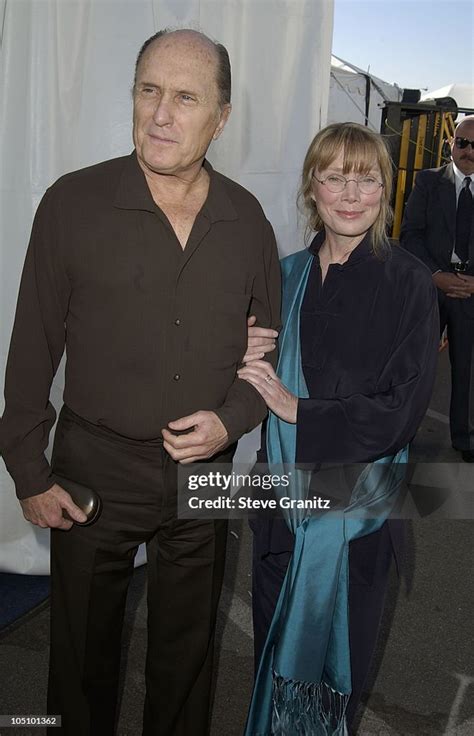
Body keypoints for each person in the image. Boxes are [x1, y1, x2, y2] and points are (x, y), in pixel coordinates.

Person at [0, 29, 281, 736]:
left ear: (221, 117)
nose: (160, 112)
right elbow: (31, 351)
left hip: (205, 472)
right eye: (148, 89)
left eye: (185, 97)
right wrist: (28, 473)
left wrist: (232, 419)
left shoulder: (248, 221)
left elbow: (264, 358)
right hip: (94, 467)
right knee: (80, 665)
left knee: (187, 664)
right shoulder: (72, 204)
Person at [237, 122, 439, 735]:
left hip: (356, 517)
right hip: (278, 503)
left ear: (386, 189)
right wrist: (241, 351)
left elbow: (402, 408)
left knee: (332, 677)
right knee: (270, 657)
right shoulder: (285, 275)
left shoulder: (408, 282)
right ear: (312, 187)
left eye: (367, 179)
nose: (351, 195)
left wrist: (303, 410)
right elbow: (248, 380)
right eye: (335, 178)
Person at [400, 115, 474, 462]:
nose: (469, 151)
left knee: (468, 371)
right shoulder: (428, 182)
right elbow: (410, 235)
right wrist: (434, 275)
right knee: (416, 368)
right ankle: (402, 433)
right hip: (432, 290)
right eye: (463, 143)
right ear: (451, 145)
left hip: (471, 293)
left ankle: (466, 438)